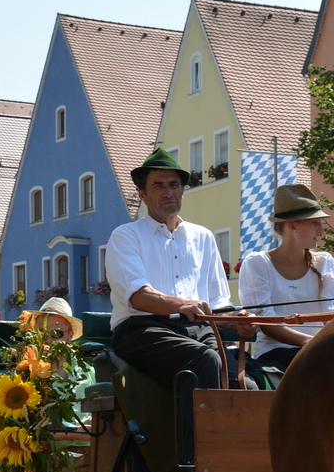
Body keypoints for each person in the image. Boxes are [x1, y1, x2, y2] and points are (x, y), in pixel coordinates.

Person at [104, 148, 251, 393]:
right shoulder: (125, 236)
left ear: (183, 190)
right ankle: (195, 433)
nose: (168, 192)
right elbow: (139, 297)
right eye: (158, 185)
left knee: (246, 383)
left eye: (174, 184)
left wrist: (239, 322)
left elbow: (217, 302)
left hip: (199, 329)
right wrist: (181, 304)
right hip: (142, 330)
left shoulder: (202, 236)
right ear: (142, 194)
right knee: (205, 361)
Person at [236, 184, 334, 385]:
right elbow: (268, 323)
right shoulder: (258, 263)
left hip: (318, 351)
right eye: (315, 223)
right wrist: (310, 343)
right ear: (292, 226)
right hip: (276, 354)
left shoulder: (325, 262)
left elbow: (331, 312)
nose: (322, 229)